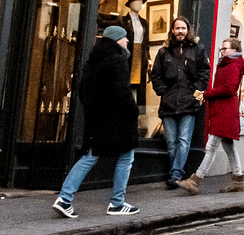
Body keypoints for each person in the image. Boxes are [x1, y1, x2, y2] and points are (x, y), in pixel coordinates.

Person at [53, 26, 141, 218]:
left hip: (96, 119)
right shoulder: (118, 60)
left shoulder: (92, 61)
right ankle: (117, 203)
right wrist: (134, 111)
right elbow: (122, 92)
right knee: (126, 156)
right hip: (117, 119)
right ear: (117, 39)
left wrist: (94, 109)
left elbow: (83, 91)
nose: (127, 41)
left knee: (89, 156)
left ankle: (64, 198)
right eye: (125, 38)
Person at [178, 40, 244, 194]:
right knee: (228, 147)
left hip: (225, 111)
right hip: (223, 109)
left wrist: (207, 94)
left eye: (225, 48)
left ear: (234, 50)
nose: (222, 51)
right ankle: (238, 180)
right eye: (221, 48)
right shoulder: (229, 63)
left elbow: (228, 89)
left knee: (211, 147)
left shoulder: (233, 65)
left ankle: (195, 181)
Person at [149, 17, 210, 188]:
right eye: (177, 28)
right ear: (172, 30)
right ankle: (176, 173)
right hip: (168, 103)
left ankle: (175, 174)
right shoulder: (164, 52)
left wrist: (194, 94)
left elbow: (204, 73)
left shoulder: (198, 49)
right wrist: (163, 91)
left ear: (188, 30)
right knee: (171, 142)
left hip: (188, 104)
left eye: (183, 28)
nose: (180, 31)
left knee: (183, 140)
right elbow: (155, 75)